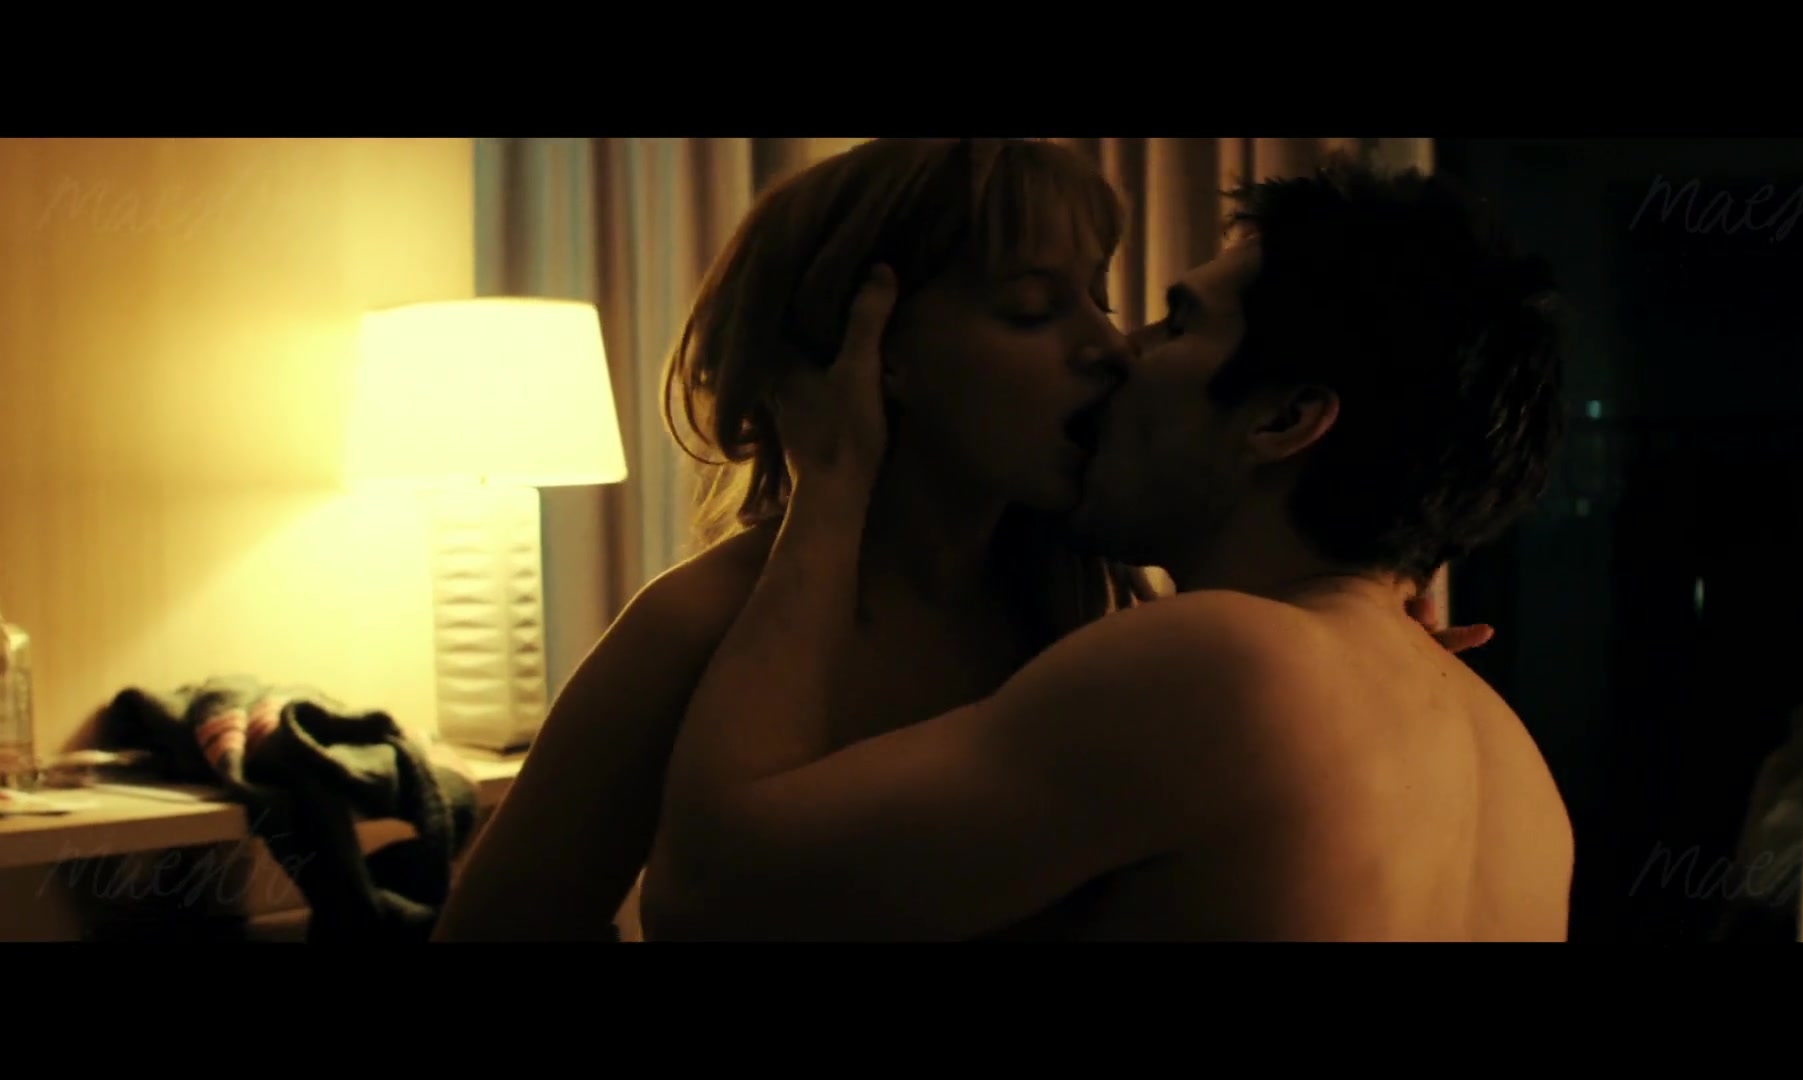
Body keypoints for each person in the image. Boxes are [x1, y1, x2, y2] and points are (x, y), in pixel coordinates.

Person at [432, 140, 1484, 942]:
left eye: (1100, 297)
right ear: (871, 355)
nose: (1109, 345)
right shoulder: (699, 625)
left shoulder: (1094, 606)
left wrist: (1365, 660)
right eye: (1032, 310)